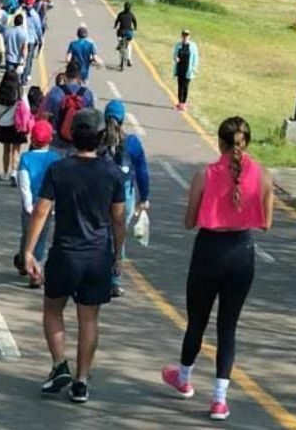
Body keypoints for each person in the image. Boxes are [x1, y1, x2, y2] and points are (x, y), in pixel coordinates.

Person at [161, 116, 274, 421]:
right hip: (242, 252)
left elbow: (188, 222)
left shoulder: (205, 176)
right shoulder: (262, 175)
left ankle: (183, 378)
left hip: (209, 250)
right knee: (228, 327)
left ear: (220, 143)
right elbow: (266, 223)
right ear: (245, 143)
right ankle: (219, 400)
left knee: (197, 321)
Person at [23, 108, 127, 404]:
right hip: (97, 257)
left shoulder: (59, 169)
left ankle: (59, 366)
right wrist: (117, 254)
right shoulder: (112, 173)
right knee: (89, 320)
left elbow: (41, 211)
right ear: (100, 137)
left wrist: (29, 251)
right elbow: (118, 221)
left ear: (71, 135)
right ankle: (81, 382)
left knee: (53, 310)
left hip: (65, 254)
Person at [100, 100, 150, 297]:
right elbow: (143, 172)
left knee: (100, 232)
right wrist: (144, 197)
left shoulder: (98, 139)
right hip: (125, 194)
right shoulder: (133, 142)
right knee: (118, 234)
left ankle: (97, 272)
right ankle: (114, 279)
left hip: (102, 193)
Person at [16, 121, 61, 288]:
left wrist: (28, 206)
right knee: (41, 237)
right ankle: (36, 270)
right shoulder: (56, 159)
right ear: (50, 139)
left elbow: (24, 185)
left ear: (32, 140)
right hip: (48, 206)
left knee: (27, 233)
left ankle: (24, 261)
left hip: (29, 207)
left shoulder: (26, 158)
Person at [41, 63, 96, 157]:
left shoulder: (55, 91)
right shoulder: (87, 93)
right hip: (78, 143)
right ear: (79, 76)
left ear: (65, 74)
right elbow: (92, 118)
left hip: (57, 140)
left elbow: (44, 114)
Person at [0, 69, 26, 185]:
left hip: (4, 125)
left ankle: (5, 173)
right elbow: (25, 108)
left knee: (6, 149)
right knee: (15, 151)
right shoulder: (20, 93)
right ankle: (14, 172)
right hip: (17, 126)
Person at [173, 29, 199, 111]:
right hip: (180, 68)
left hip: (188, 70)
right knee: (180, 86)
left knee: (185, 86)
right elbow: (175, 54)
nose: (185, 37)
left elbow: (196, 58)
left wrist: (194, 68)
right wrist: (175, 58)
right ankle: (180, 103)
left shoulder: (193, 46)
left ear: (189, 36)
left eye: (187, 35)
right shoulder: (178, 45)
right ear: (182, 36)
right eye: (184, 35)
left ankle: (183, 103)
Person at [20, 0, 43, 86]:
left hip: (21, 39)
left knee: (21, 58)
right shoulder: (35, 15)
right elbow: (39, 29)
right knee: (28, 59)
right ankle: (24, 78)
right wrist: (41, 39)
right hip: (31, 40)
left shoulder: (22, 12)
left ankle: (21, 76)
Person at [114, 2, 138, 67]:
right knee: (129, 44)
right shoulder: (131, 14)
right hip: (129, 33)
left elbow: (116, 21)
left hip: (121, 32)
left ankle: (119, 43)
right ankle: (129, 59)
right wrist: (135, 28)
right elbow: (135, 22)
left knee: (119, 37)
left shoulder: (120, 14)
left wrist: (115, 26)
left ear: (124, 7)